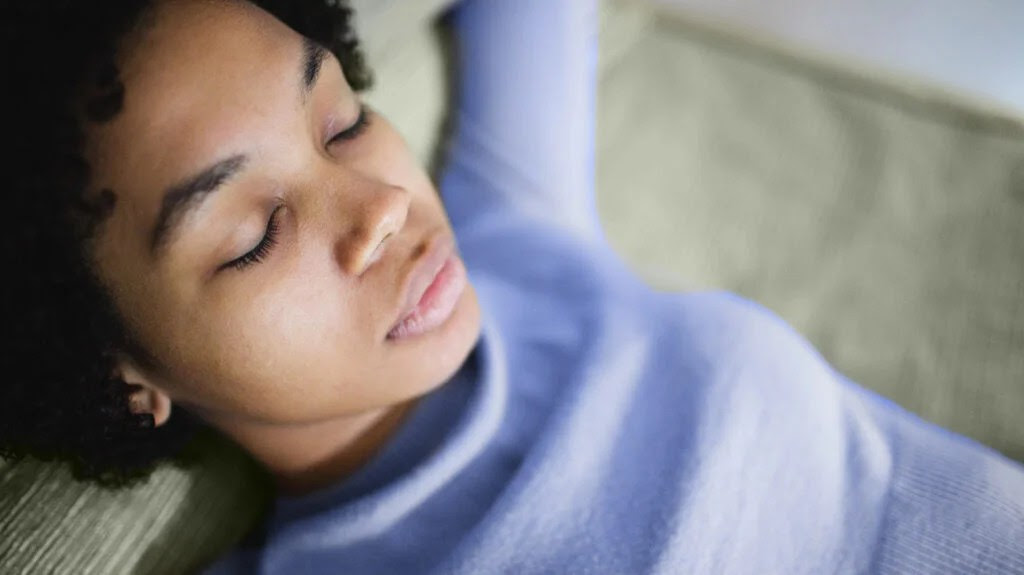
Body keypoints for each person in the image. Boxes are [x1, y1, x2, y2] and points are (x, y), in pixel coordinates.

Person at [1, 0, 1022, 573]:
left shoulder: (518, 233)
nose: (380, 207)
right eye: (258, 232)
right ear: (121, 374)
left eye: (342, 120)